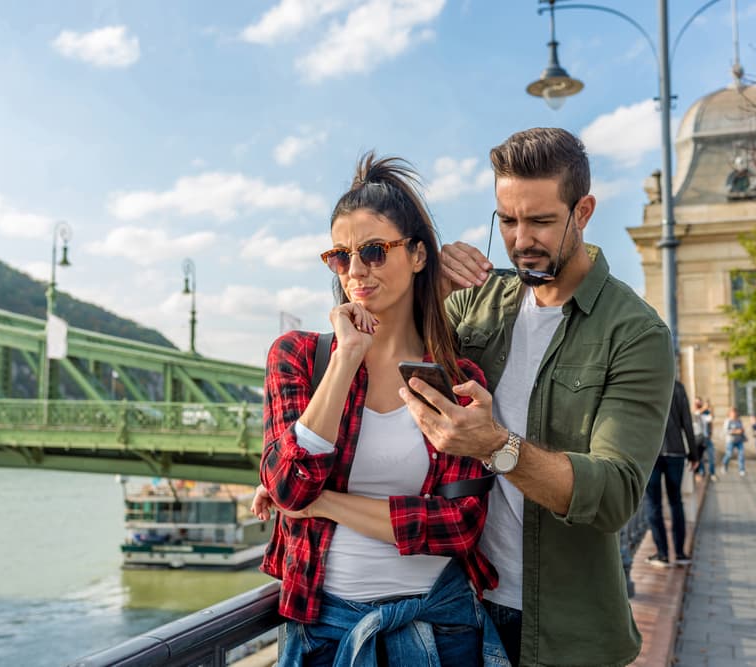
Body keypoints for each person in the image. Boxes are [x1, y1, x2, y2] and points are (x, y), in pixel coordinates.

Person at [402, 127, 675, 666]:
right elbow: (385, 368)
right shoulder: (476, 303)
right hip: (460, 609)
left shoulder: (636, 333)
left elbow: (616, 494)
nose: (521, 239)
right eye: (507, 220)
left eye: (542, 221)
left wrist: (497, 446)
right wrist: (427, 288)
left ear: (584, 210)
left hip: (567, 633)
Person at [250, 153, 508, 666]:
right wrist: (347, 358)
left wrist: (324, 505)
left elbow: (457, 526)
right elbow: (288, 485)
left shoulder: (459, 381)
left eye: (373, 251)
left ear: (416, 255)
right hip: (322, 632)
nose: (356, 271)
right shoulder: (299, 357)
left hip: (440, 626)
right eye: (340, 257)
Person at [645, 380, 700, 569]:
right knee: (676, 502)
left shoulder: (647, 383)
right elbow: (687, 421)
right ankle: (680, 553)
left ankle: (662, 553)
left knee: (653, 503)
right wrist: (694, 453)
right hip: (676, 452)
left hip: (651, 453)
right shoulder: (677, 387)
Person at [693, 397, 717, 482]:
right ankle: (701, 473)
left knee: (711, 457)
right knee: (700, 458)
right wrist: (705, 407)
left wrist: (711, 409)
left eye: (699, 403)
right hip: (698, 439)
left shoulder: (704, 414)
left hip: (706, 438)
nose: (698, 405)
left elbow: (711, 418)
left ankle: (712, 473)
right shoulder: (694, 413)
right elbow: (696, 414)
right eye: (697, 403)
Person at [721, 407, 747, 476]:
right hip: (730, 440)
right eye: (733, 412)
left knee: (741, 454)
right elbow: (725, 431)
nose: (734, 414)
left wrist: (744, 436)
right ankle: (724, 465)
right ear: (730, 413)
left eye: (735, 412)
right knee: (729, 454)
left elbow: (741, 430)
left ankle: (741, 469)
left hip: (739, 440)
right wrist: (735, 431)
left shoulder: (739, 421)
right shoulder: (728, 421)